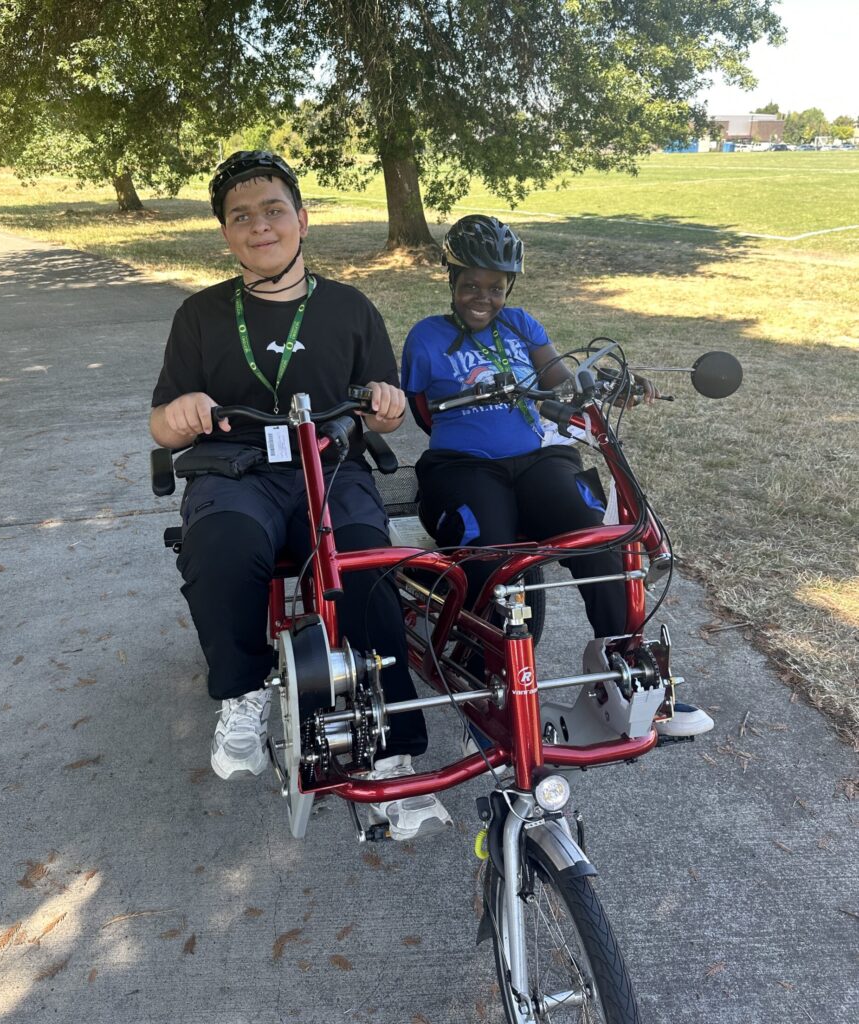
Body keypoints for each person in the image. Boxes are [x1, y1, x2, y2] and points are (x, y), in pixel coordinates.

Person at [150, 151, 451, 838]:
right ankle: (243, 693)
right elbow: (161, 421)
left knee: (367, 563)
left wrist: (383, 404)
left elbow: (389, 408)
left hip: (331, 465)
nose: (259, 226)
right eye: (240, 217)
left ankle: (395, 749)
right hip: (235, 470)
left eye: (273, 210)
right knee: (220, 545)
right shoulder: (199, 315)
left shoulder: (348, 306)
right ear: (226, 235)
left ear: (302, 220)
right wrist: (185, 411)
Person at [400, 214, 713, 740]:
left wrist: (605, 386)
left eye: (495, 287)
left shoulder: (522, 324)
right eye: (470, 284)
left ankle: (634, 674)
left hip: (537, 460)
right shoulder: (426, 338)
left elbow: (560, 381)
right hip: (462, 466)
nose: (483, 296)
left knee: (595, 536)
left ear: (509, 288)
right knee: (489, 548)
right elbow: (421, 413)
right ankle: (482, 681)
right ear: (450, 281)